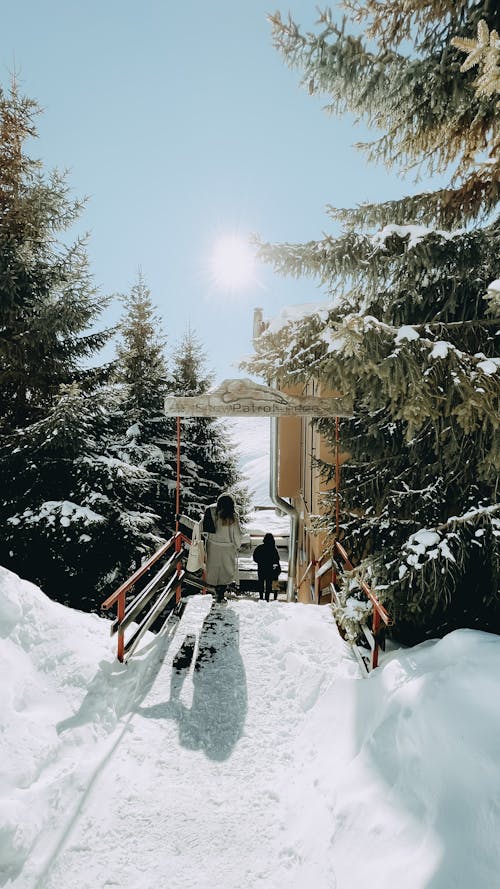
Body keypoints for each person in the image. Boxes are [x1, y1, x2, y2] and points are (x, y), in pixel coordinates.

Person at [202, 493, 242, 604]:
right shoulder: (233, 516)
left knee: (215, 573)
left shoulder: (211, 513)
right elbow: (237, 535)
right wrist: (237, 545)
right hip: (227, 549)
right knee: (226, 573)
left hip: (213, 548)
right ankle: (220, 595)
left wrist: (182, 519)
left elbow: (200, 527)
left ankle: (217, 594)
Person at [252, 533, 281, 602]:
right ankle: (270, 598)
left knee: (261, 583)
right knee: (270, 583)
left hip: (261, 568)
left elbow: (255, 558)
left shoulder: (259, 547)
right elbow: (277, 559)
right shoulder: (273, 548)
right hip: (270, 569)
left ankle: (261, 597)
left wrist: (260, 562)